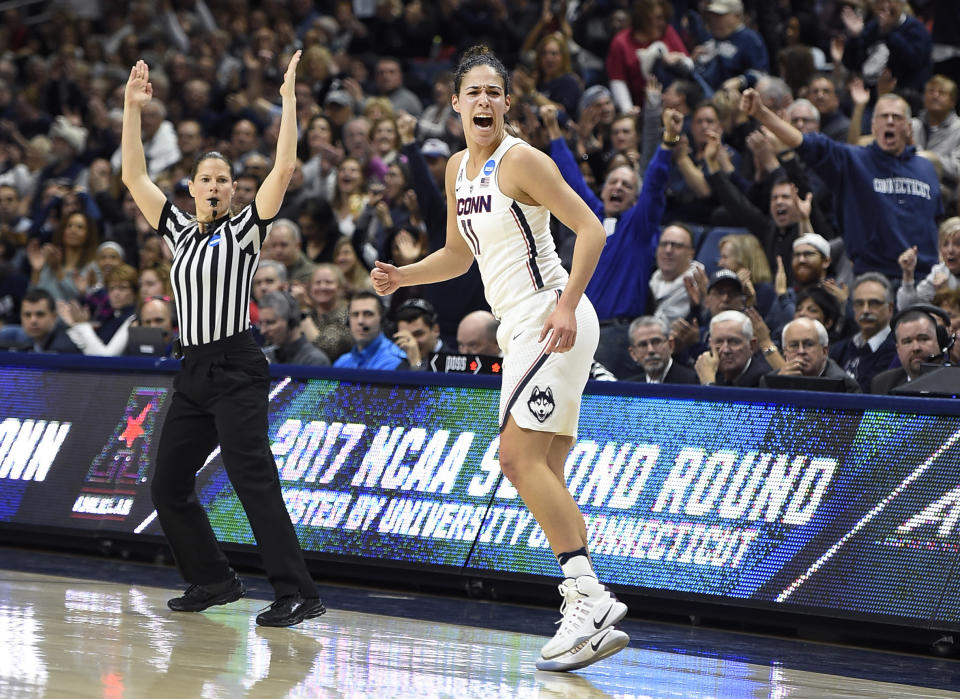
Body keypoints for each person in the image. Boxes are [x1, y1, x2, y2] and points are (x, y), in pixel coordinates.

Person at [370, 45, 628, 673]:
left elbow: (591, 229)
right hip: (520, 326)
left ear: (507, 103)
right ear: (455, 102)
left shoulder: (523, 160)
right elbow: (460, 256)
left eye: (494, 92)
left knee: (514, 458)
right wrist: (405, 275)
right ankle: (581, 609)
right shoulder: (458, 168)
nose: (484, 101)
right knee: (545, 470)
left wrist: (566, 305)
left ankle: (588, 598)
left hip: (549, 315)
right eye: (473, 92)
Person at [121, 53, 324, 627]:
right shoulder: (177, 231)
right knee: (167, 484)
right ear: (190, 188)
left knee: (250, 478)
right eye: (204, 179)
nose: (213, 186)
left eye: (222, 180)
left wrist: (286, 101)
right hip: (192, 370)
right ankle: (213, 579)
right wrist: (133, 109)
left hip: (237, 363)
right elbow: (134, 177)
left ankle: (297, 591)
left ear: (235, 190)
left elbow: (282, 170)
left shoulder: (245, 230)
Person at [740, 88, 942, 279]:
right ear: (873, 126)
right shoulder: (853, 160)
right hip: (874, 276)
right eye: (883, 116)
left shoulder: (925, 167)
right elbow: (804, 142)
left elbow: (936, 222)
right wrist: (762, 113)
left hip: (923, 276)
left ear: (908, 128)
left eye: (897, 117)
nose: (889, 121)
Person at [829, 273, 897, 392]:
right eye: (859, 304)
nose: (865, 310)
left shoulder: (896, 349)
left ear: (890, 308)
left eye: (874, 303)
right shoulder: (839, 349)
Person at [759, 317, 861, 392]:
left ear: (824, 351)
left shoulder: (845, 385)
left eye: (809, 344)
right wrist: (780, 386)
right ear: (785, 352)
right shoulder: (769, 382)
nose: (801, 351)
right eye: (794, 345)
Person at [872, 306, 951, 393]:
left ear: (940, 342)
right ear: (898, 350)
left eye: (923, 339)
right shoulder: (882, 384)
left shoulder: (955, 380)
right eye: (907, 342)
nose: (916, 347)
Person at [693, 309, 772, 387]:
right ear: (710, 344)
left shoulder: (764, 381)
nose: (726, 350)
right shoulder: (705, 372)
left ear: (752, 346)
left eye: (734, 342)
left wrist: (708, 383)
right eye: (719, 342)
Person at [332, 290, 407, 370]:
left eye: (368, 314)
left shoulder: (395, 361)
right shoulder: (342, 363)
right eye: (355, 314)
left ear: (382, 320)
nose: (360, 321)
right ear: (348, 321)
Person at [259, 290, 331, 366]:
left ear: (291, 321)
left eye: (270, 323)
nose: (262, 331)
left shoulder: (316, 361)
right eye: (261, 323)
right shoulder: (266, 358)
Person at [624, 315, 698, 384]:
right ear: (633, 353)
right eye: (643, 345)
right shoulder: (629, 389)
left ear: (670, 345)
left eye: (656, 342)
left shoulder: (693, 382)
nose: (650, 350)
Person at [19, 288, 82, 353]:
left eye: (40, 314)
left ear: (54, 316)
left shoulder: (63, 349)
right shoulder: (23, 343)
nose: (33, 320)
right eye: (27, 315)